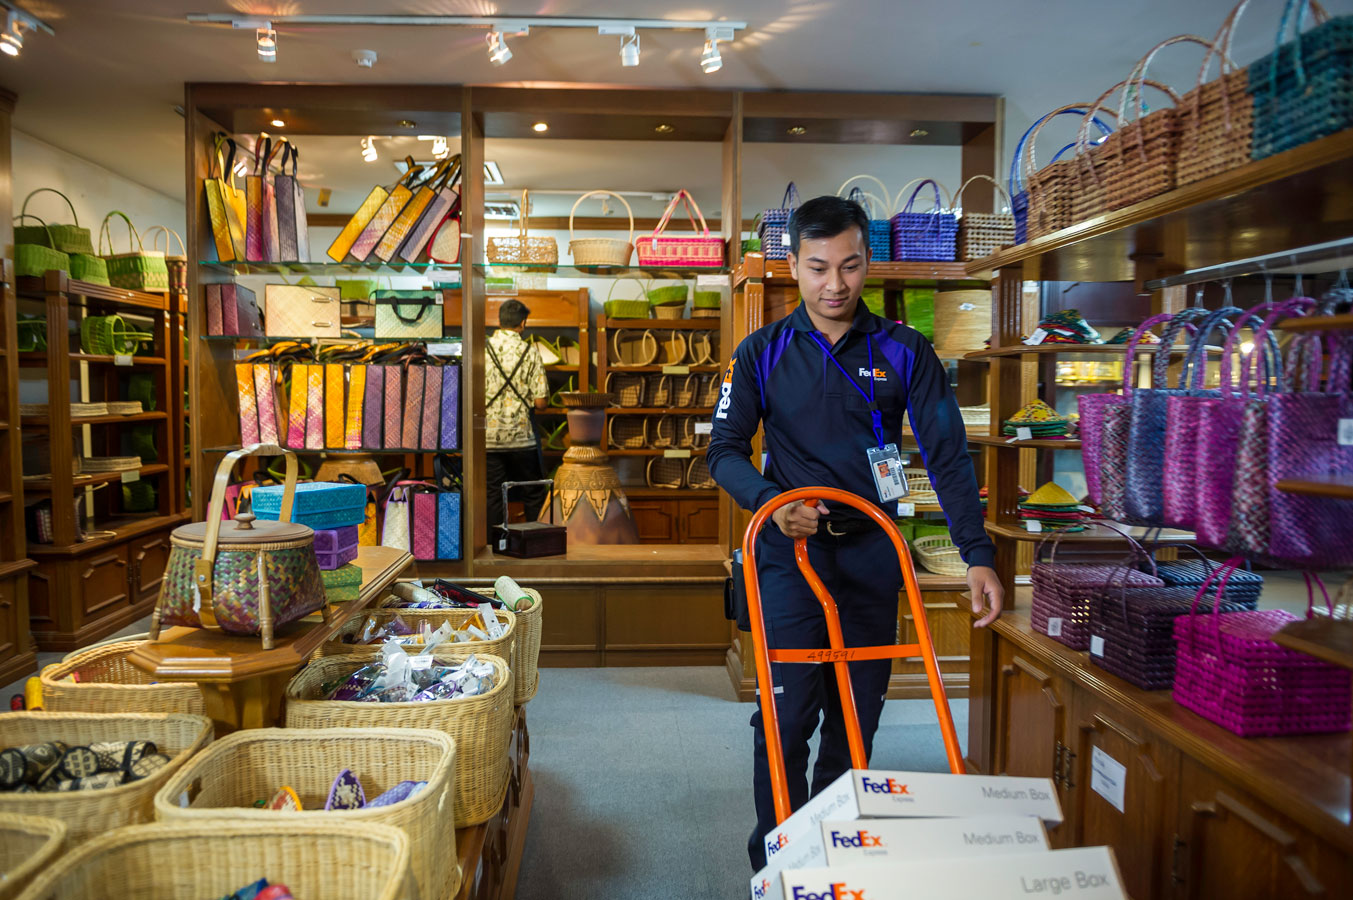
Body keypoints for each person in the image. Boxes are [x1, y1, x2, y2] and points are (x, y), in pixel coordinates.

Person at [706, 195, 1003, 871]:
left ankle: (832, 861)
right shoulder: (760, 352)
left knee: (854, 718)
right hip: (787, 555)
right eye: (817, 267)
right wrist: (773, 503)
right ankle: (777, 866)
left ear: (869, 262)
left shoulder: (905, 350)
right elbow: (723, 448)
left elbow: (946, 456)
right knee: (783, 722)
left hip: (872, 553)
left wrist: (976, 555)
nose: (834, 284)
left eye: (849, 265)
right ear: (792, 266)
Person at [485, 298, 549, 534]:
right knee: (532, 492)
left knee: (493, 493)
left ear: (499, 322)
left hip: (489, 438)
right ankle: (534, 543)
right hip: (523, 438)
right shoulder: (530, 352)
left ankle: (494, 545)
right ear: (523, 323)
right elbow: (541, 403)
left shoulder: (483, 349)